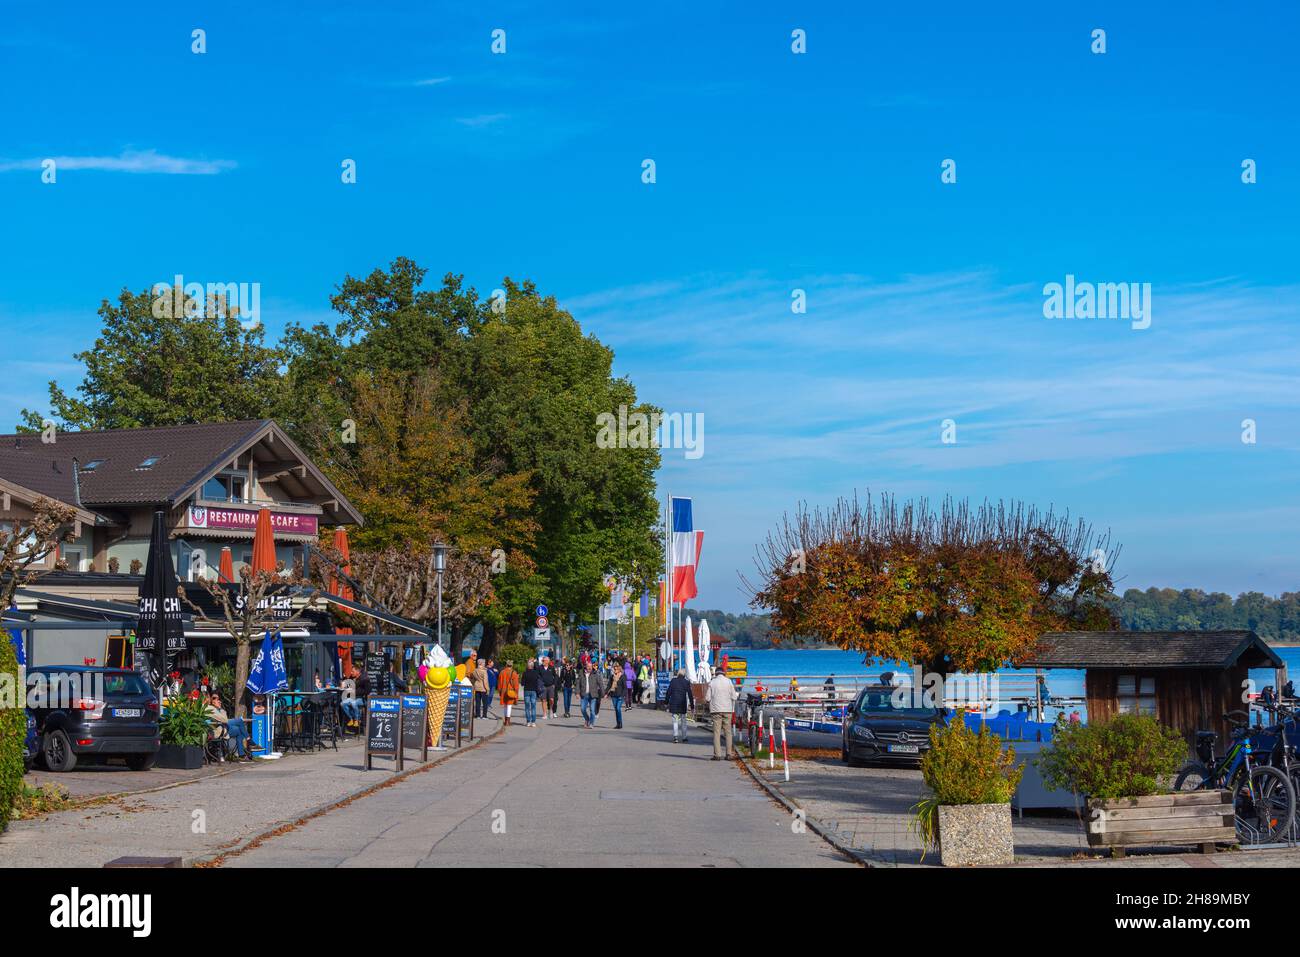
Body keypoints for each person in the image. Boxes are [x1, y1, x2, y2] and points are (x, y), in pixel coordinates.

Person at [707, 669, 739, 760]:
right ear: (724, 673)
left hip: (716, 710)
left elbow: (707, 698)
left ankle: (717, 755)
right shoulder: (728, 682)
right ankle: (728, 754)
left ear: (716, 674)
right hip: (727, 710)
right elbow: (734, 696)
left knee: (716, 733)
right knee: (728, 732)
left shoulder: (712, 682)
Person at [666, 668, 691, 743]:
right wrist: (692, 705)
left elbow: (669, 692)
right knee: (683, 720)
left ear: (678, 674)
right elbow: (690, 694)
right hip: (682, 704)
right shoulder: (686, 682)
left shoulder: (673, 681)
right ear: (684, 674)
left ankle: (675, 737)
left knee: (675, 720)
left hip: (674, 703)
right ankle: (684, 737)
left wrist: (666, 701)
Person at [577, 660, 603, 729]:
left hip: (593, 694)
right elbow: (578, 683)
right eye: (588, 666)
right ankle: (587, 719)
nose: (589, 668)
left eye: (591, 666)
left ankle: (591, 723)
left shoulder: (595, 674)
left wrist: (603, 693)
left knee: (592, 710)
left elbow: (600, 683)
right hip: (584, 694)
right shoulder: (581, 673)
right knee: (582, 709)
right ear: (585, 666)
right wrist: (577, 693)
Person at [497, 660, 520, 726]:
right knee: (509, 706)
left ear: (506, 665)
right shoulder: (514, 673)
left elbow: (499, 683)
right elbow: (516, 685)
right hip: (510, 691)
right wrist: (516, 693)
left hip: (503, 691)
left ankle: (505, 720)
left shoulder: (502, 672)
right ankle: (508, 721)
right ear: (512, 665)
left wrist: (500, 691)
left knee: (505, 706)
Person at [522, 658, 542, 727]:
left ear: (527, 666)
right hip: (533, 691)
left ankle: (528, 722)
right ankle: (533, 722)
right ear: (532, 666)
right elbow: (537, 682)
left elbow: (522, 683)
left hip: (527, 690)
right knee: (533, 707)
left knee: (527, 707)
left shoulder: (524, 673)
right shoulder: (536, 673)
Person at [606, 659, 625, 729]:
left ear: (619, 669)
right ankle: (618, 724)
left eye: (616, 669)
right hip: (614, 695)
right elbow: (609, 685)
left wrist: (622, 695)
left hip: (620, 696)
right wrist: (605, 693)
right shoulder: (612, 676)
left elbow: (625, 687)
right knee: (616, 710)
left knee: (618, 708)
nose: (615, 670)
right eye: (614, 669)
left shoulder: (622, 676)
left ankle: (620, 723)